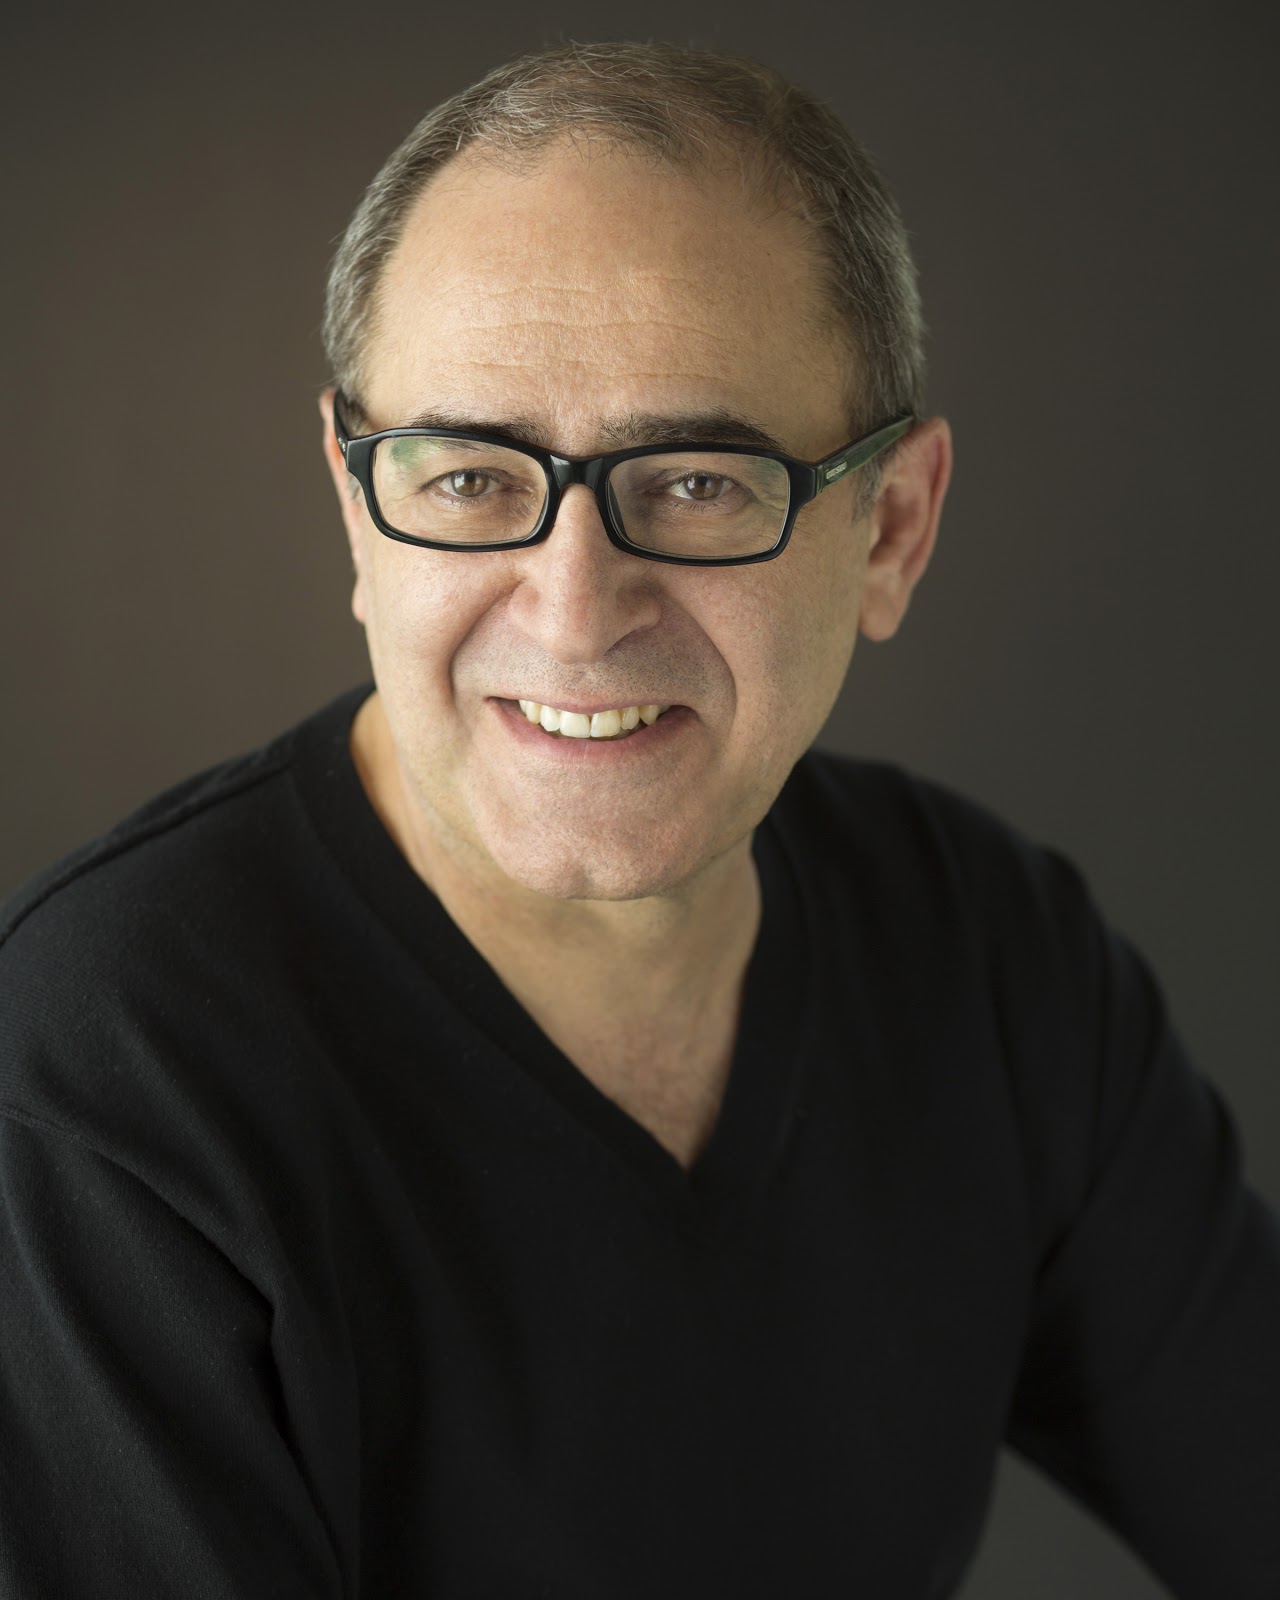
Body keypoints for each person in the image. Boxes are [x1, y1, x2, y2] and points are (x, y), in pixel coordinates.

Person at [1, 39, 1277, 1599]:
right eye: (469, 478)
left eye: (697, 482)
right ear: (356, 509)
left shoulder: (991, 958)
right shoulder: (94, 1092)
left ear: (890, 529)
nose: (574, 609)